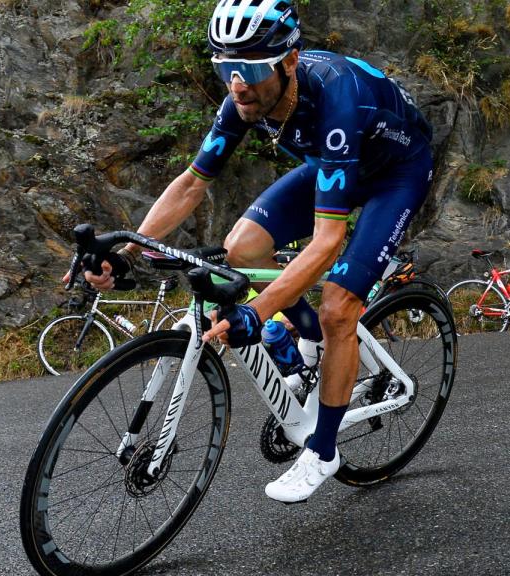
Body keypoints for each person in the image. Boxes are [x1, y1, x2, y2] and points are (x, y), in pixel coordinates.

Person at [85, 0, 434, 503]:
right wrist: (128, 250)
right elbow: (191, 184)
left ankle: (323, 450)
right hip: (334, 164)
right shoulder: (243, 97)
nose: (237, 85)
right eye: (225, 69)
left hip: (396, 174)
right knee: (242, 248)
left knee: (339, 306)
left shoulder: (336, 96)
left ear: (289, 61)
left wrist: (259, 310)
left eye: (249, 69)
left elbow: (327, 241)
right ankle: (310, 338)